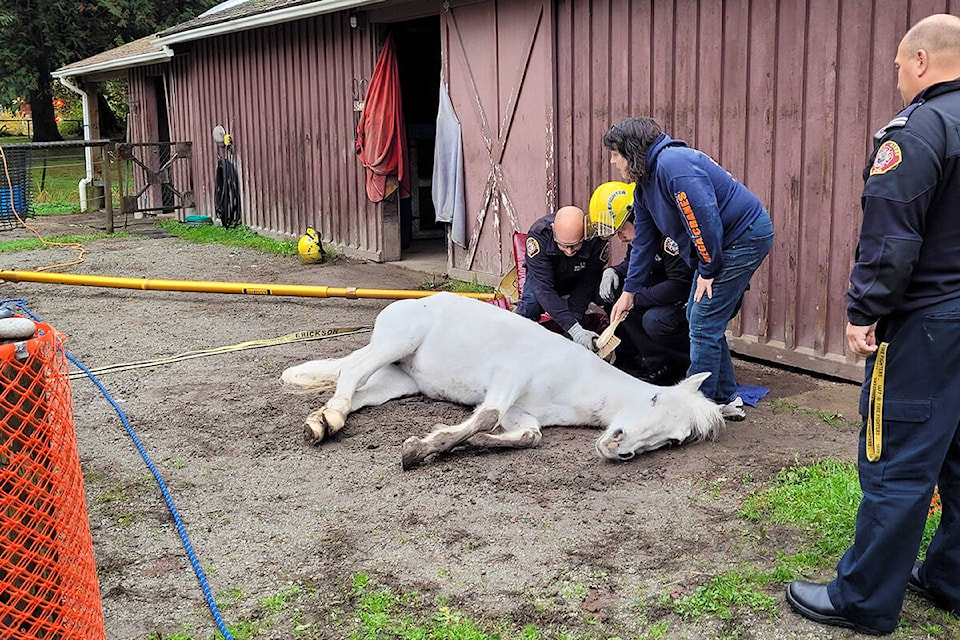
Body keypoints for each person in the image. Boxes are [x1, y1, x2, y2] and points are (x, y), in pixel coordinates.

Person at [785, 14, 960, 636]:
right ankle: (951, 576)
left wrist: (866, 310)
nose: (896, 76)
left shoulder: (918, 131)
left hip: (930, 324)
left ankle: (862, 599)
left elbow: (892, 237)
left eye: (896, 64)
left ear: (919, 61)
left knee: (897, 459)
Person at [603, 117, 773, 419]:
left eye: (616, 154)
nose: (614, 161)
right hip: (718, 245)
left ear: (632, 151)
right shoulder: (645, 184)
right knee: (701, 316)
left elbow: (703, 218)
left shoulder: (674, 166)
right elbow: (643, 241)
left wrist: (708, 269)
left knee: (703, 320)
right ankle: (724, 398)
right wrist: (629, 292)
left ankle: (698, 408)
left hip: (743, 236)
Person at [590, 182, 694, 384]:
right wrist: (615, 271)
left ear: (636, 217)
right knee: (612, 292)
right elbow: (634, 263)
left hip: (687, 297)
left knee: (654, 320)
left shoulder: (668, 235)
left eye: (621, 230)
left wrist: (635, 299)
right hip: (661, 289)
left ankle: (677, 365)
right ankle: (644, 360)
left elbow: (680, 284)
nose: (620, 238)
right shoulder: (642, 235)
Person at [515, 205, 609, 351]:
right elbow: (543, 288)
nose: (569, 251)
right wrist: (575, 329)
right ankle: (518, 345)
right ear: (553, 231)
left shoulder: (596, 238)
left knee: (606, 294)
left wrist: (573, 325)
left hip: (579, 277)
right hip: (545, 278)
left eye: (574, 245)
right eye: (564, 246)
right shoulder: (539, 236)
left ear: (586, 233)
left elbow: (587, 283)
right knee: (530, 305)